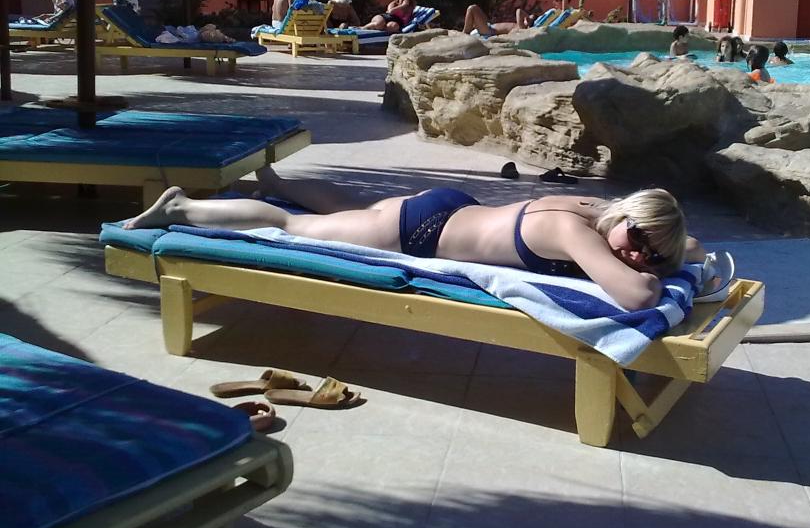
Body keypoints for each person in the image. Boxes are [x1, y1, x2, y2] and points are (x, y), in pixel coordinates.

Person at [123, 168, 705, 312]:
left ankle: (278, 182)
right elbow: (637, 295)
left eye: (651, 251)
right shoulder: (574, 230)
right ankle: (183, 206)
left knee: (353, 210)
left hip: (452, 211)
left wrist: (672, 250)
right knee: (293, 228)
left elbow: (687, 246)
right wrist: (655, 272)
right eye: (637, 237)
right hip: (419, 233)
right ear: (627, 214)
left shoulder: (600, 212)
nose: (637, 254)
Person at [463, 4, 530, 36]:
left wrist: (528, 17)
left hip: (488, 31)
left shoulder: (521, 28)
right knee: (476, 11)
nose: (526, 18)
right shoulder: (518, 25)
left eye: (527, 19)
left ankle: (464, 33)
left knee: (472, 8)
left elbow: (519, 11)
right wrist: (528, 17)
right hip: (489, 26)